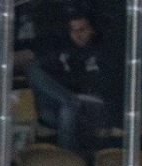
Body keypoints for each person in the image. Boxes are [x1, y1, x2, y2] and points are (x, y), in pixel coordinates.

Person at [28, 10, 109, 153]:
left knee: (69, 108)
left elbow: (91, 83)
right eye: (73, 30)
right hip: (64, 102)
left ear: (92, 30)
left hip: (93, 107)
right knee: (33, 68)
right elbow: (50, 72)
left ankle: (68, 158)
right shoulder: (65, 50)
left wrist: (68, 83)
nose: (77, 35)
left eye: (81, 30)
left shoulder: (102, 52)